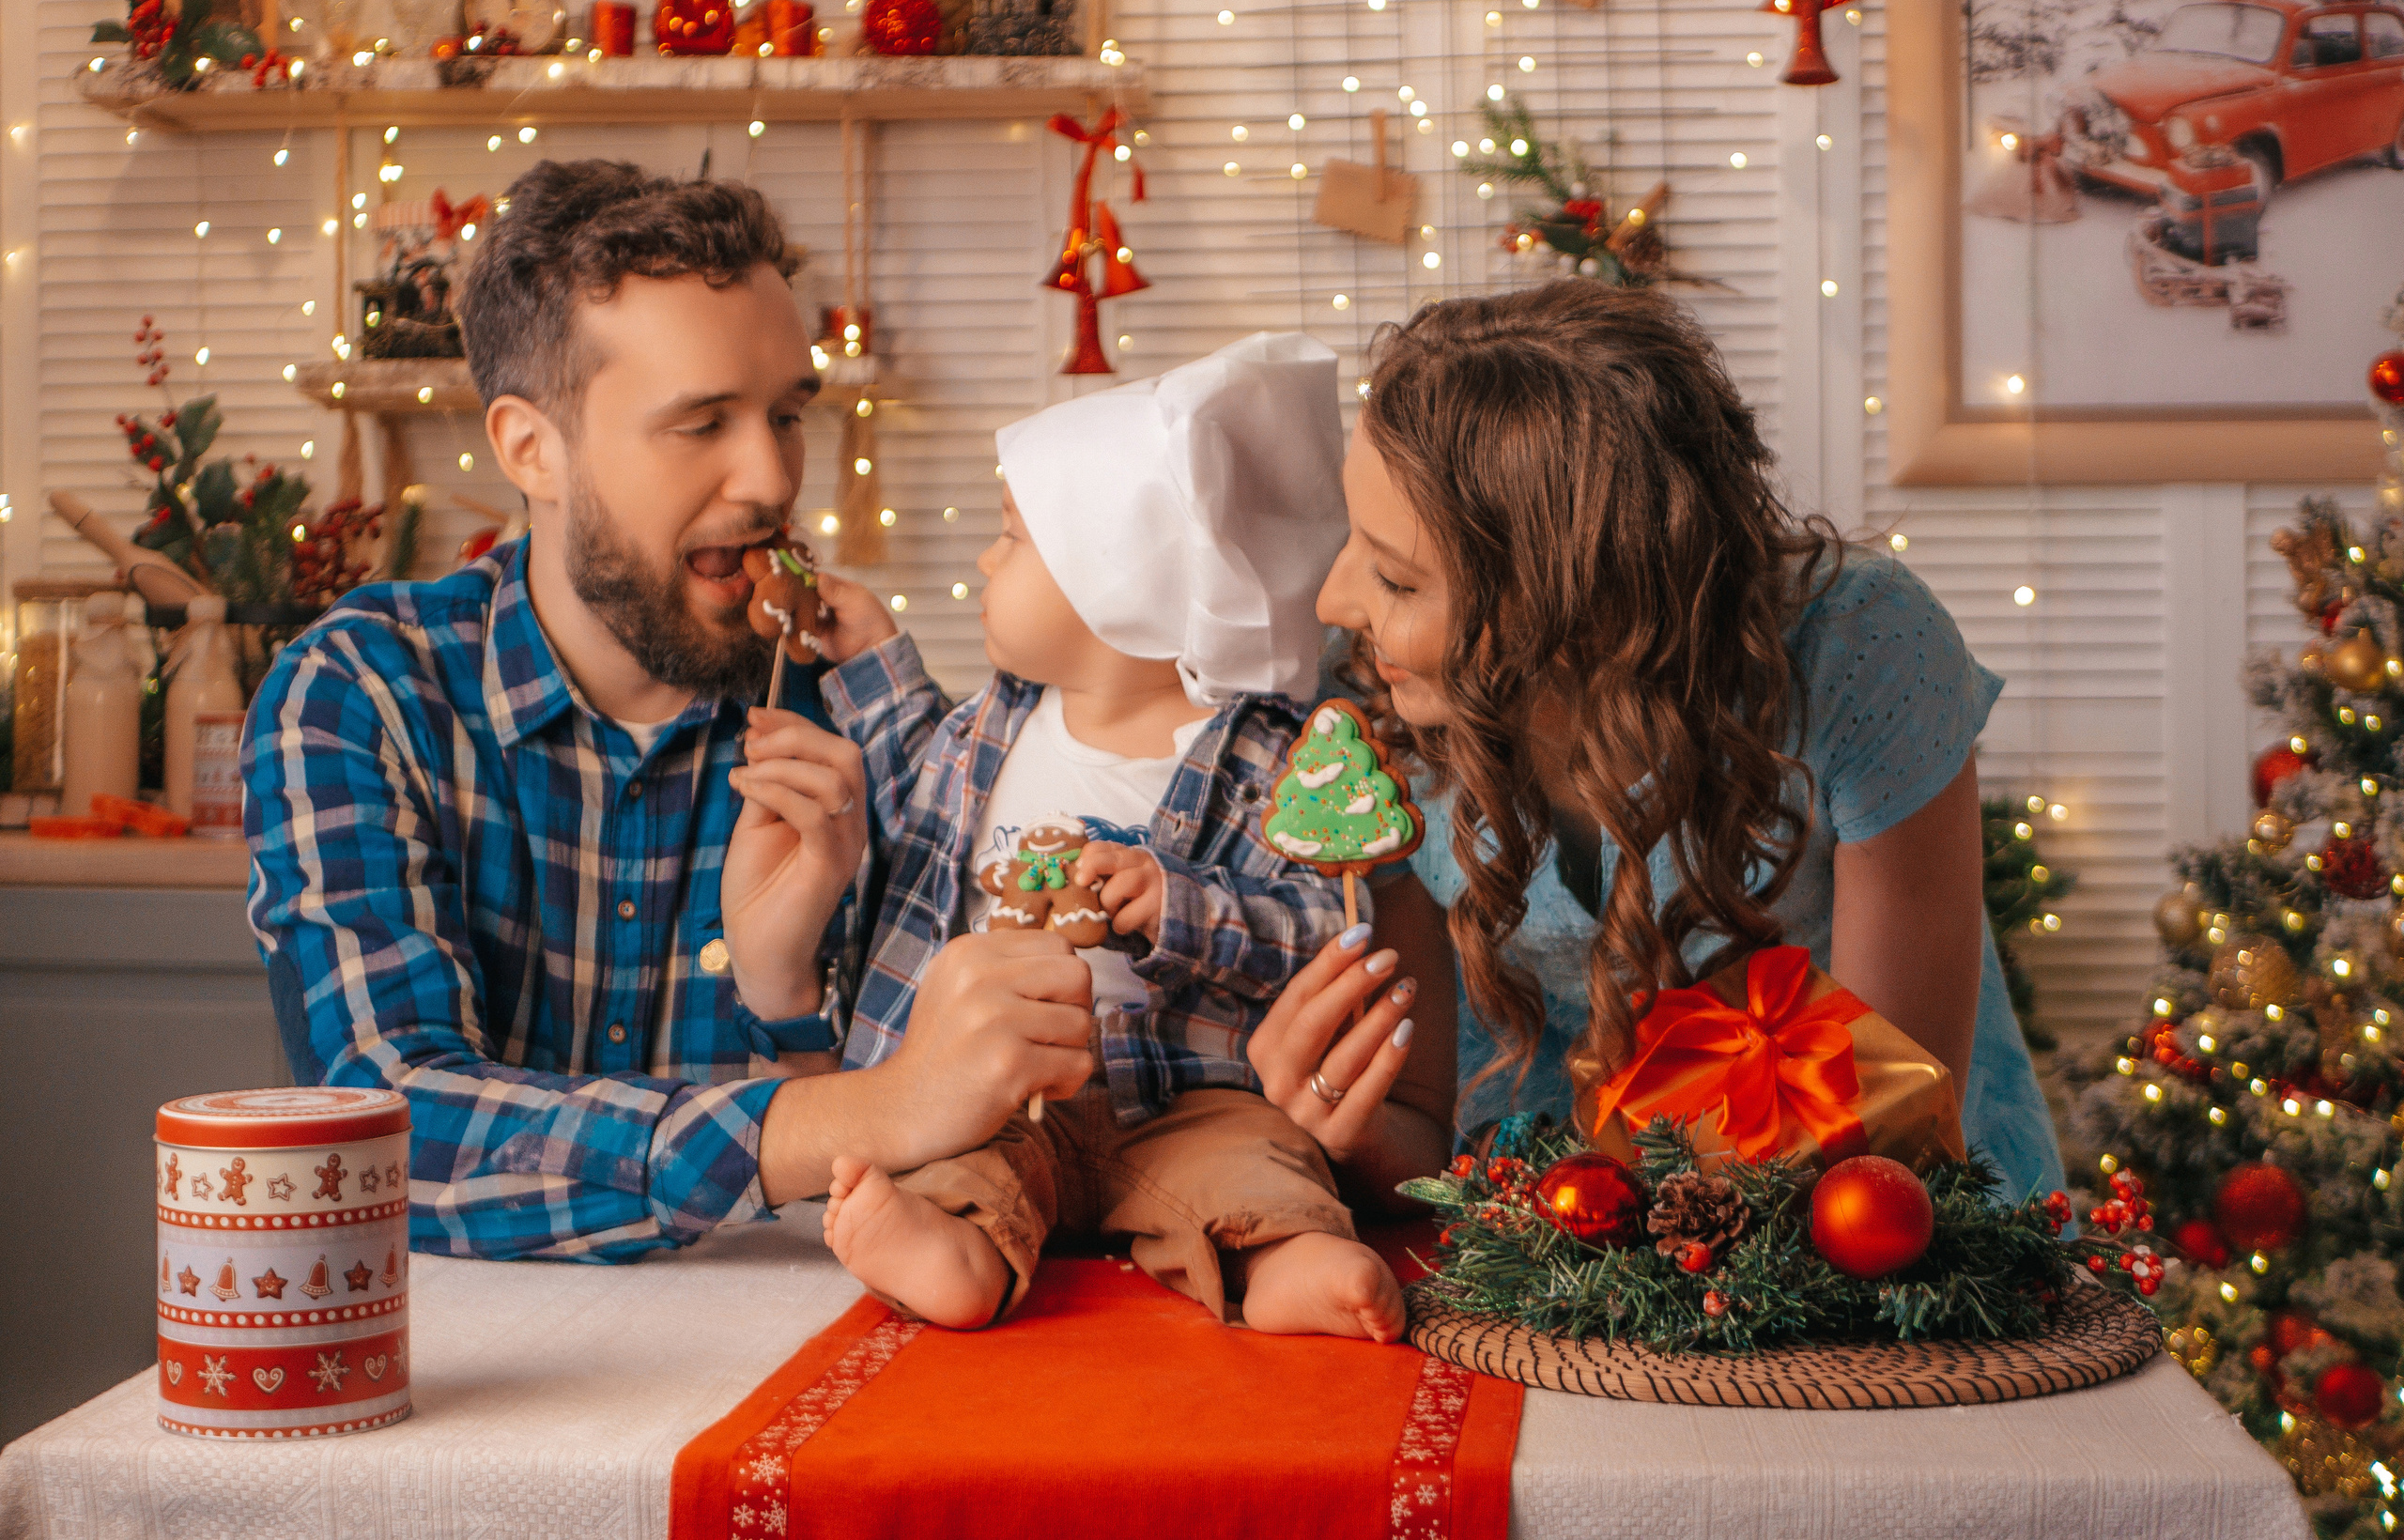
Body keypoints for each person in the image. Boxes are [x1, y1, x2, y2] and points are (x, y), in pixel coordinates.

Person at [244, 161, 1100, 1260]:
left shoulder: (864, 713)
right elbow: (382, 1133)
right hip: (451, 1381)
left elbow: (965, 1162)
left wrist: (787, 999)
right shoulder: (361, 695)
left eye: (787, 415)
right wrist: (866, 1109)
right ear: (529, 449)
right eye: (701, 424)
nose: (771, 478)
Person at [1248, 282, 2067, 1209]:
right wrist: (1339, 1123)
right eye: (1353, 543)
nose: (1332, 605)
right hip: (1552, 1233)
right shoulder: (1369, 715)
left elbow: (1892, 1140)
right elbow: (1422, 1142)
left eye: (1397, 579)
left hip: (1882, 1229)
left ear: (1579, 601)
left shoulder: (1859, 645)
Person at [801, 332, 1407, 1339]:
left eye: (1013, 538)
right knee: (969, 1162)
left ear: (1122, 580)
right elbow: (910, 787)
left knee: (1255, 1159)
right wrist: (871, 657)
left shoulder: (1266, 759)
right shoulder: (985, 727)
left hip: (1186, 1099)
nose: (987, 560)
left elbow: (1325, 927)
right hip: (1007, 1095)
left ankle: (1291, 1261)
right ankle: (957, 1249)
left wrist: (1184, 909)